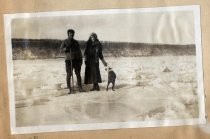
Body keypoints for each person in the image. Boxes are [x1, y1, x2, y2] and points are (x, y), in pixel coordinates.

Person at [60, 29, 85, 94]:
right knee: (69, 74)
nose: (71, 34)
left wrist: (80, 60)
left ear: (73, 34)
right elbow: (61, 49)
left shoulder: (76, 42)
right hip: (68, 60)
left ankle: (80, 88)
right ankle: (69, 89)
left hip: (76, 60)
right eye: (70, 33)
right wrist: (66, 48)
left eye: (72, 33)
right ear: (68, 34)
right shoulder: (65, 41)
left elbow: (79, 51)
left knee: (78, 74)